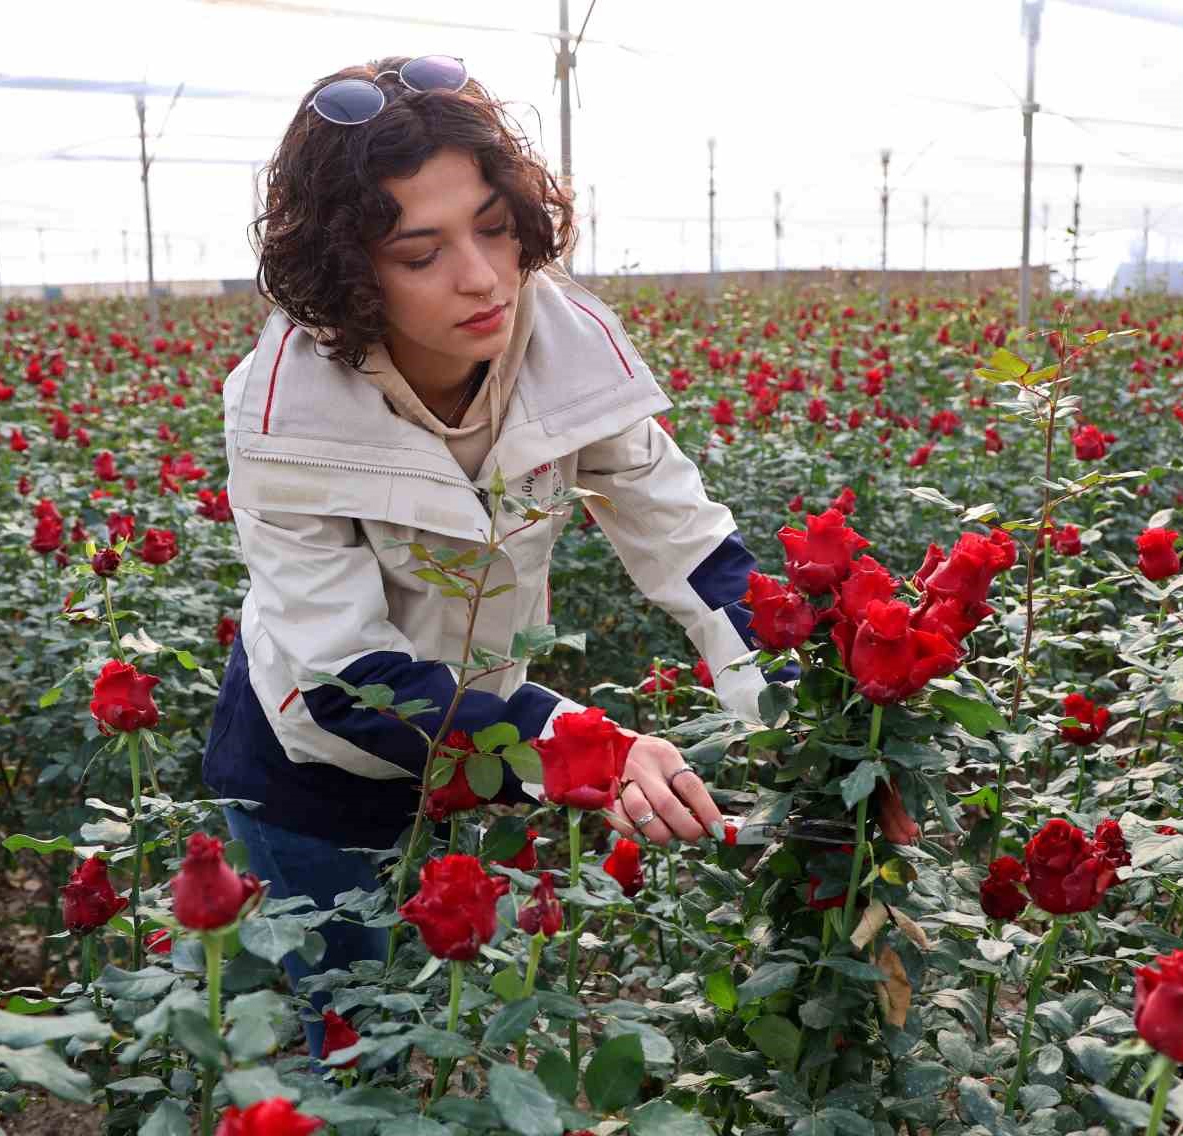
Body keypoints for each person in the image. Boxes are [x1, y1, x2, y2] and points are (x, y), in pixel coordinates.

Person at [200, 54, 914, 1062]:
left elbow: (688, 540)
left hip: (477, 750)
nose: (483, 276)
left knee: (449, 1030)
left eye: (492, 225)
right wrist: (575, 741)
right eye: (420, 251)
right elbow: (340, 681)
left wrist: (820, 716)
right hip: (314, 770)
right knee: (357, 1048)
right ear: (349, 273)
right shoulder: (285, 412)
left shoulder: (558, 338)